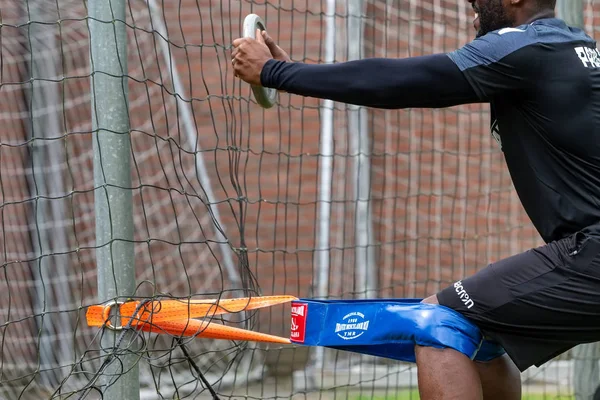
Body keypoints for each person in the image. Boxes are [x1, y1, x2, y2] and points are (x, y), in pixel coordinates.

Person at [232, 0, 600, 398]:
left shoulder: (525, 47)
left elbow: (406, 79)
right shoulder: (578, 47)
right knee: (481, 340)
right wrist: (301, 73)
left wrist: (277, 72)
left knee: (441, 321)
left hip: (591, 254)